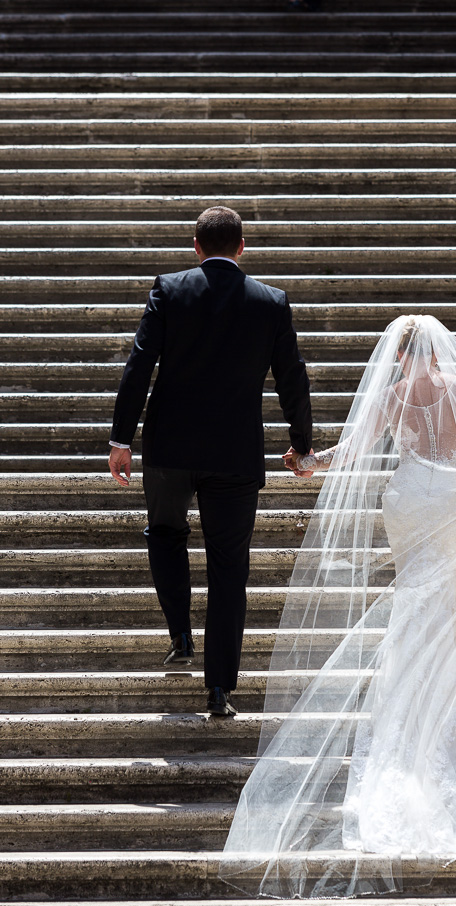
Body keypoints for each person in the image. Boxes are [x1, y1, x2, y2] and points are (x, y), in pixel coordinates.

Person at [221, 314, 456, 898]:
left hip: (408, 498)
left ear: (399, 357)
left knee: (411, 608)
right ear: (439, 355)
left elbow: (352, 450)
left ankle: (399, 721)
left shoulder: (390, 398)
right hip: (448, 501)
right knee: (443, 613)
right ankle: (439, 728)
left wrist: (309, 464)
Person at [108, 206, 313, 717]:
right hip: (235, 452)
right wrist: (302, 442)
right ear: (242, 247)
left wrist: (120, 438)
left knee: (165, 533)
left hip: (169, 447)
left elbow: (138, 367)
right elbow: (293, 378)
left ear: (196, 247)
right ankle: (219, 687)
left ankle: (180, 631)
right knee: (228, 568)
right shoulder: (271, 302)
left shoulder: (170, 290)